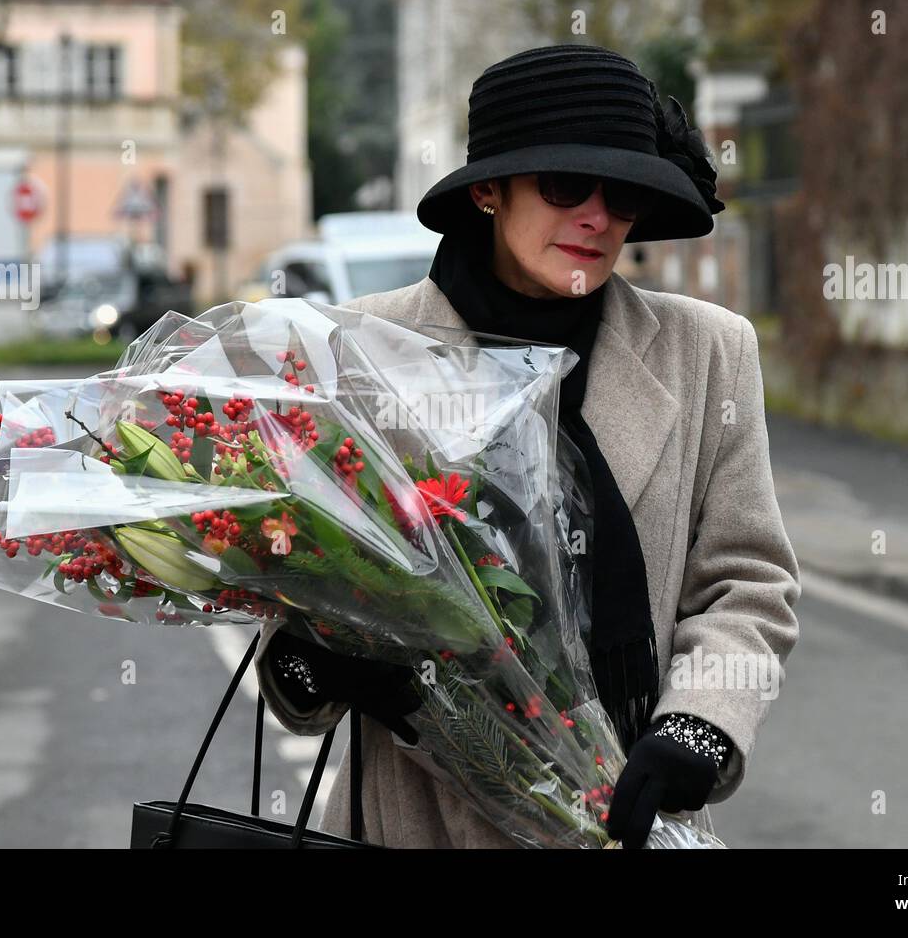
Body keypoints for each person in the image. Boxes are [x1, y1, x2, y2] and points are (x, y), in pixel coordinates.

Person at [254, 43, 802, 848]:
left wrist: (698, 726)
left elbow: (747, 581)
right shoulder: (355, 349)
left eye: (623, 195)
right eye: (565, 185)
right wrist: (318, 651)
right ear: (488, 191)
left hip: (628, 824)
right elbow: (298, 592)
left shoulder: (709, 352)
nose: (597, 216)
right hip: (413, 825)